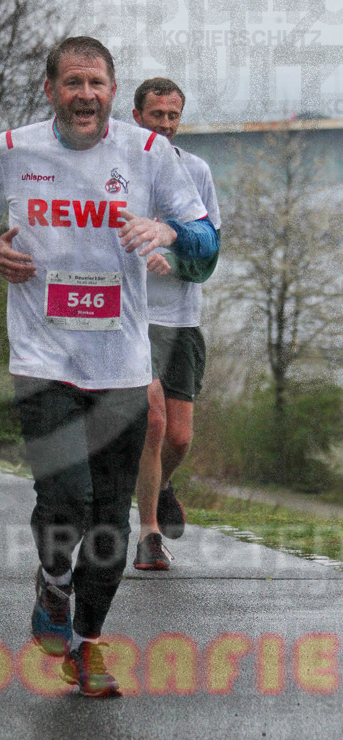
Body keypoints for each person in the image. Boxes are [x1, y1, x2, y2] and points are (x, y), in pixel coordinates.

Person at [0, 37, 218, 696]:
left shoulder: (149, 153)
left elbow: (207, 244)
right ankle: (53, 584)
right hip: (42, 355)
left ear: (112, 91)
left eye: (96, 83)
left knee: (110, 519)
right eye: (72, 83)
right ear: (50, 89)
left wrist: (168, 232)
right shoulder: (12, 150)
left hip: (121, 363)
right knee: (67, 498)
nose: (85, 95)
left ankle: (86, 643)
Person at [131, 78, 221, 570]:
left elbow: (209, 253)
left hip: (181, 320)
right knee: (153, 423)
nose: (165, 124)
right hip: (131, 317)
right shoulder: (118, 168)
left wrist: (177, 262)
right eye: (156, 115)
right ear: (136, 116)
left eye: (173, 116)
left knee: (179, 438)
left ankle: (162, 485)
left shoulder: (197, 171)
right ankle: (148, 535)